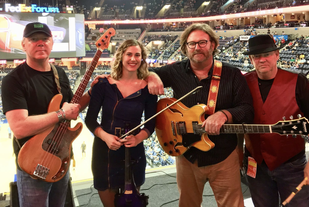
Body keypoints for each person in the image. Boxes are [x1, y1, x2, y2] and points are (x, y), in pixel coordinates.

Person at [146, 23, 254, 207]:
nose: (197, 47)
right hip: (187, 156)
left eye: (203, 42)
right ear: (185, 48)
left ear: (213, 45)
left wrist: (225, 114)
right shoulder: (175, 70)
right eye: (192, 44)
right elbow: (141, 73)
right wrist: (151, 75)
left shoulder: (232, 74)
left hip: (223, 156)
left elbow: (247, 109)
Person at [1, 22, 90, 207]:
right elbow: (19, 128)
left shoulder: (60, 74)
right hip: (34, 162)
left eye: (45, 39)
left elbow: (72, 109)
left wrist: (93, 92)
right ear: (23, 44)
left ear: (52, 43)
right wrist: (60, 114)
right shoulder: (13, 81)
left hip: (61, 157)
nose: (40, 43)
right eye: (34, 39)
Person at [243, 34, 309, 207]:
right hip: (256, 165)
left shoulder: (298, 82)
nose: (262, 59)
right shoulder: (243, 83)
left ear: (277, 55)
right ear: (251, 59)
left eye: (267, 54)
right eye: (257, 56)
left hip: (292, 164)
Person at [84, 39, 157, 207]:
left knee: (131, 202)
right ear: (121, 57)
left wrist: (139, 138)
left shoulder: (148, 89)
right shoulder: (103, 85)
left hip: (134, 151)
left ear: (142, 58)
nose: (133, 59)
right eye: (129, 54)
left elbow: (150, 123)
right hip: (105, 149)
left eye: (137, 55)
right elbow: (90, 120)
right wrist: (105, 137)